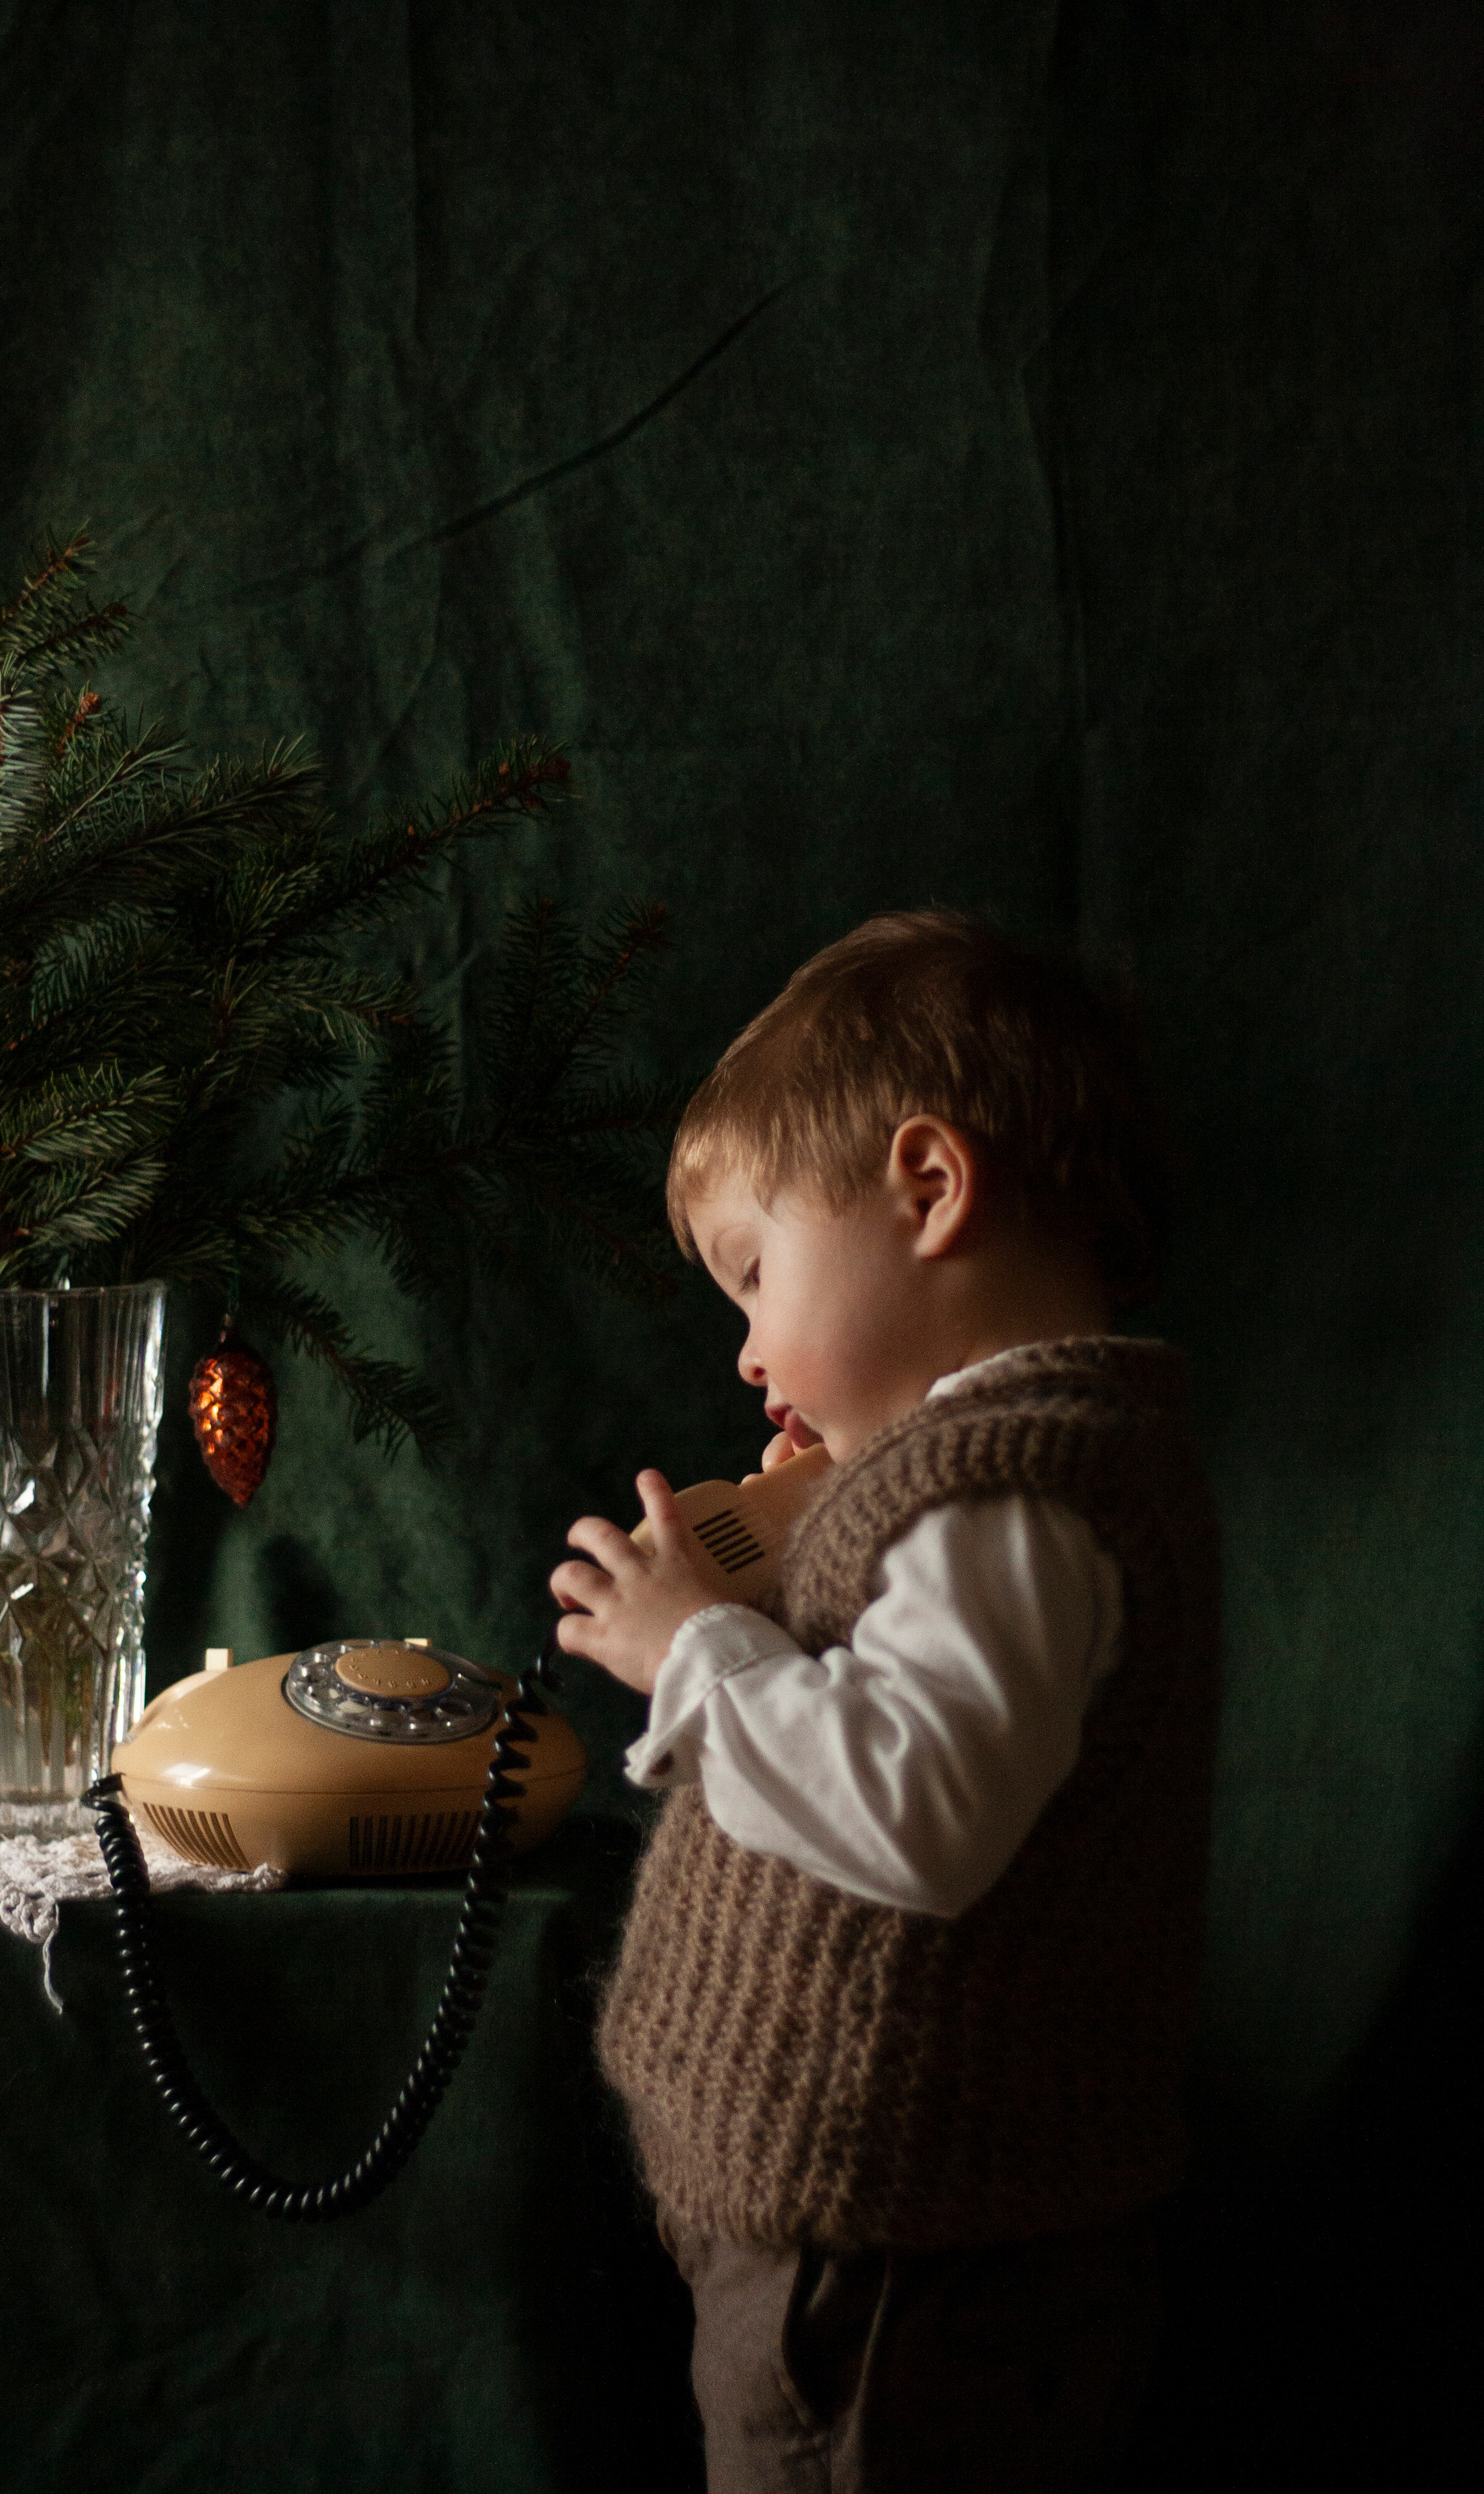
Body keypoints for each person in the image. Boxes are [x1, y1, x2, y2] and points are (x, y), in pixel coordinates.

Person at [549, 909, 1220, 2494]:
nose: (745, 1351)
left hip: (898, 2277)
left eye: (754, 1274)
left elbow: (915, 1808)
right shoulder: (964, 1485)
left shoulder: (1008, 1496)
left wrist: (695, 1649)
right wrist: (802, 1564)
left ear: (927, 1189)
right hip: (872, 2254)